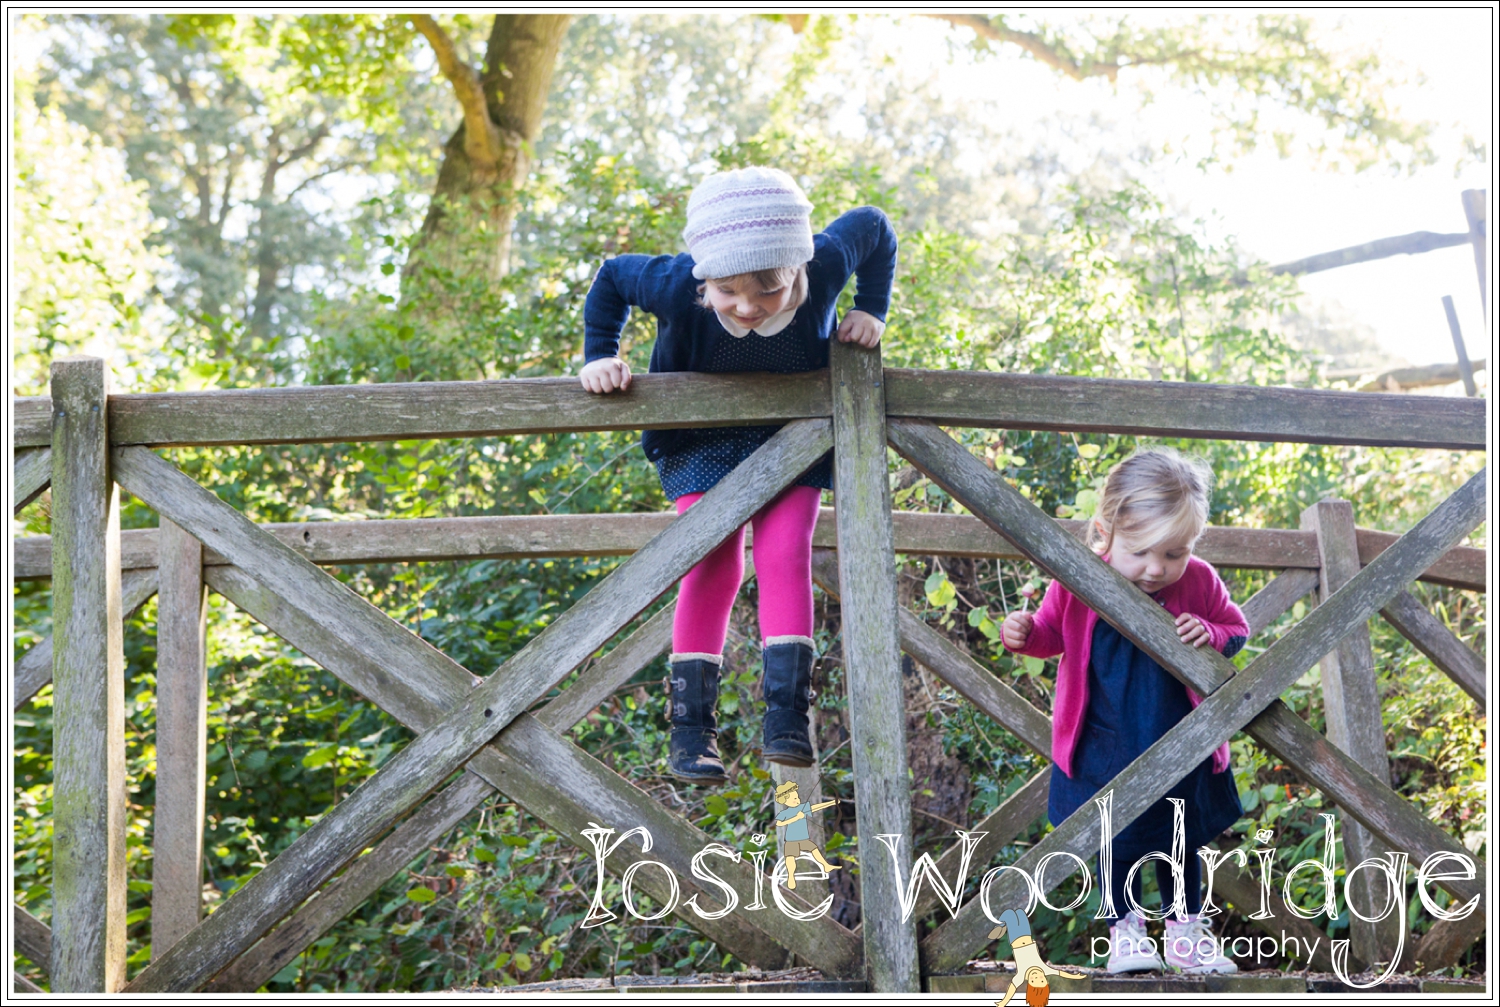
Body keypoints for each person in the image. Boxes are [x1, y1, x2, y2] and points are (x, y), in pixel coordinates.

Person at [580, 166, 897, 783]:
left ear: (799, 267)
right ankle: (691, 733)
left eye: (768, 291)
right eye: (727, 291)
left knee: (784, 552)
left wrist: (871, 309)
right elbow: (613, 276)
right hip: (700, 436)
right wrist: (600, 355)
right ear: (704, 278)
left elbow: (875, 228)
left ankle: (787, 718)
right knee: (711, 560)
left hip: (794, 436)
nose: (747, 307)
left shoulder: (827, 261)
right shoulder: (675, 285)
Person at [1000, 449, 1247, 976]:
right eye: (1140, 552)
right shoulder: (1077, 579)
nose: (1157, 569)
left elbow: (1236, 629)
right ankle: (1125, 930)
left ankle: (1185, 933)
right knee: (1112, 835)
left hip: (1179, 737)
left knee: (1181, 839)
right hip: (1102, 736)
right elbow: (1050, 634)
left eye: (1175, 553)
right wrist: (1023, 634)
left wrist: (1211, 633)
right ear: (1104, 532)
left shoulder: (1198, 580)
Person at [771, 779, 842, 890]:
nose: (798, 800)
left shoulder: (802, 808)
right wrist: (795, 817)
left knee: (814, 849)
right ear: (786, 801)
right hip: (791, 840)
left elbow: (815, 807)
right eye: (795, 798)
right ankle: (791, 877)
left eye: (797, 797)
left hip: (803, 838)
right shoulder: (785, 813)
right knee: (790, 858)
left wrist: (831, 803)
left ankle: (825, 865)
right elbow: (779, 823)